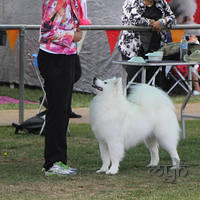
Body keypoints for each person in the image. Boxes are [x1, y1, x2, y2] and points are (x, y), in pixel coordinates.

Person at [37, 0, 90, 176]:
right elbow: (47, 31)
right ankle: (53, 163)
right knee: (58, 112)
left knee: (63, 110)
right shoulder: (58, 2)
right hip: (55, 58)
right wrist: (72, 36)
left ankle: (58, 160)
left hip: (67, 55)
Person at [118, 0, 176, 88]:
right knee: (135, 83)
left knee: (154, 83)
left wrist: (162, 21)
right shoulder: (132, 2)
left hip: (155, 49)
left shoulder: (161, 2)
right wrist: (151, 23)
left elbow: (172, 19)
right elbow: (134, 19)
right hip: (133, 49)